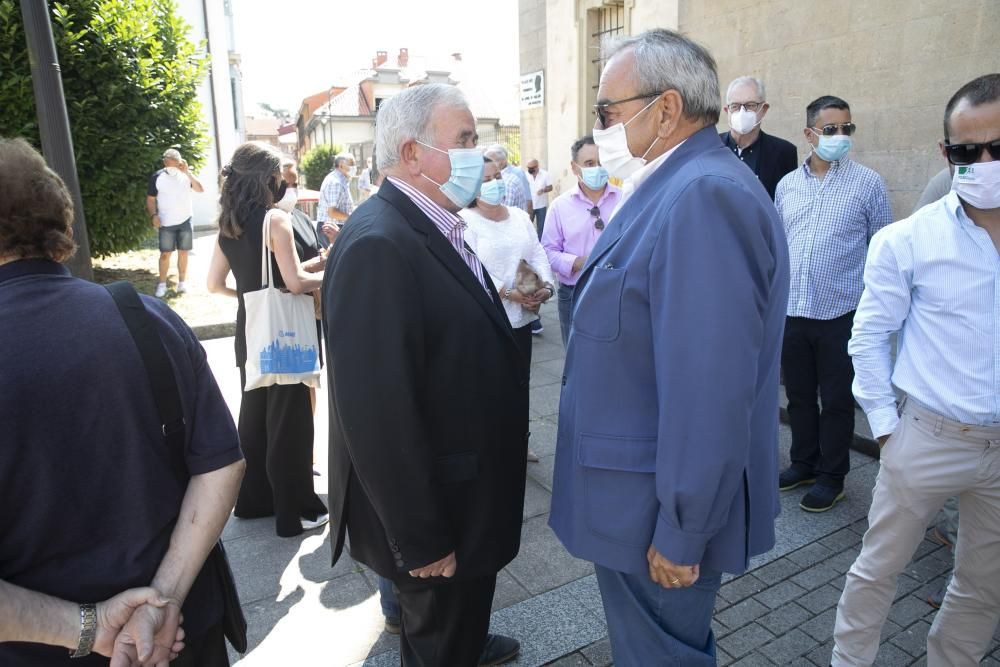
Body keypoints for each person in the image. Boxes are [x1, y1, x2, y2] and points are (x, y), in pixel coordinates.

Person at [548, 29, 789, 666]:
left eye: (608, 111)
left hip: (655, 507)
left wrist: (683, 530)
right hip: (636, 493)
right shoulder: (675, 184)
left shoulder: (703, 194)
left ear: (667, 108)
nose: (600, 129)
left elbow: (708, 390)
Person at [0, 137, 245, 665]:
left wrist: (89, 630)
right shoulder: (145, 317)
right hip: (179, 637)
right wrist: (164, 600)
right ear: (62, 224)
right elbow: (221, 462)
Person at [323, 83, 524, 667]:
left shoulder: (430, 225)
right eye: (462, 141)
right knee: (440, 648)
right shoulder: (379, 244)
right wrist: (423, 537)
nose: (478, 155)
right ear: (412, 154)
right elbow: (377, 413)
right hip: (440, 519)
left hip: (464, 498)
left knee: (451, 643)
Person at [832, 73, 1000, 667]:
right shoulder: (908, 239)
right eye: (966, 151)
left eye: (997, 148)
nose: (983, 162)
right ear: (945, 154)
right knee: (877, 572)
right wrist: (885, 427)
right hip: (926, 435)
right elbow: (870, 336)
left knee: (984, 585)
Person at [775, 95, 893, 512]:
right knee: (801, 398)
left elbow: (882, 250)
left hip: (841, 312)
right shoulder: (787, 186)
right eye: (831, 130)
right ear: (809, 134)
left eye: (847, 128)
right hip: (793, 311)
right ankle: (803, 462)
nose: (840, 136)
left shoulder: (868, 184)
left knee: (838, 399)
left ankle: (832, 475)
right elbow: (780, 246)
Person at [207, 141, 328, 538]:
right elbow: (293, 283)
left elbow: (215, 284)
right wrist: (330, 274)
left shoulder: (229, 223)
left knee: (256, 418)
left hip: (251, 330)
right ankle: (294, 512)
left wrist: (252, 297)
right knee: (290, 423)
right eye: (277, 176)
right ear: (267, 178)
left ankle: (255, 500)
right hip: (284, 337)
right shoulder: (275, 220)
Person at [462, 156, 556, 461]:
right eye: (485, 179)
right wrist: (509, 294)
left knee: (519, 383)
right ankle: (492, 443)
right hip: (490, 320)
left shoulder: (518, 216)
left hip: (523, 317)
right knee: (489, 386)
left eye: (496, 176)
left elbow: (537, 252)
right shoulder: (465, 221)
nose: (494, 183)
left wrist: (545, 288)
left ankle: (520, 441)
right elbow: (473, 269)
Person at [540, 135, 621, 346]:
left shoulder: (625, 199)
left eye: (602, 162)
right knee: (576, 356)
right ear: (575, 168)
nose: (597, 168)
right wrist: (579, 263)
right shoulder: (560, 207)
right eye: (590, 163)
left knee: (617, 356)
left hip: (617, 290)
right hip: (575, 292)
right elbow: (548, 252)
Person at [719, 76, 798, 200]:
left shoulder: (784, 152)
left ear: (764, 109)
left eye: (750, 105)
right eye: (735, 106)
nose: (742, 112)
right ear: (726, 110)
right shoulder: (710, 147)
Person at [146, 148, 204, 298]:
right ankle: (162, 284)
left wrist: (188, 173)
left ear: (180, 162)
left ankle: (182, 283)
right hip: (166, 222)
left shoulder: (186, 176)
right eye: (168, 163)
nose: (172, 166)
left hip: (185, 220)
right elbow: (151, 199)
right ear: (164, 162)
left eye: (175, 163)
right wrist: (154, 215)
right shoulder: (157, 177)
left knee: (184, 252)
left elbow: (200, 189)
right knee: (165, 254)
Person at [316, 152, 356, 247]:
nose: (354, 167)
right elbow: (332, 212)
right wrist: (352, 218)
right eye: (351, 164)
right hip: (331, 229)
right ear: (341, 165)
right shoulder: (336, 182)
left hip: (334, 228)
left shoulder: (340, 180)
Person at [524, 158, 552, 238]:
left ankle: (541, 245)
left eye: (531, 168)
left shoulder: (545, 174)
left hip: (541, 205)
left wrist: (543, 190)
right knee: (527, 227)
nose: (529, 169)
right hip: (529, 205)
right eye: (528, 168)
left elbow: (550, 187)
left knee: (541, 227)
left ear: (536, 167)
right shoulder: (525, 175)